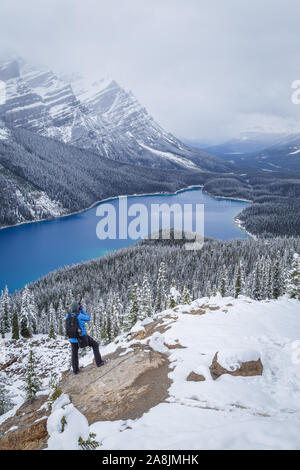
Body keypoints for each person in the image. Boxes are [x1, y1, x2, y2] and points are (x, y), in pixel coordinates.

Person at [66, 301, 105, 375]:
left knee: (74, 353)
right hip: (82, 337)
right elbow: (88, 318)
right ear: (78, 308)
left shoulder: (67, 316)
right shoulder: (80, 316)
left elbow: (71, 315)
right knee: (95, 345)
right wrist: (82, 310)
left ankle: (76, 370)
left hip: (72, 338)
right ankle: (99, 362)